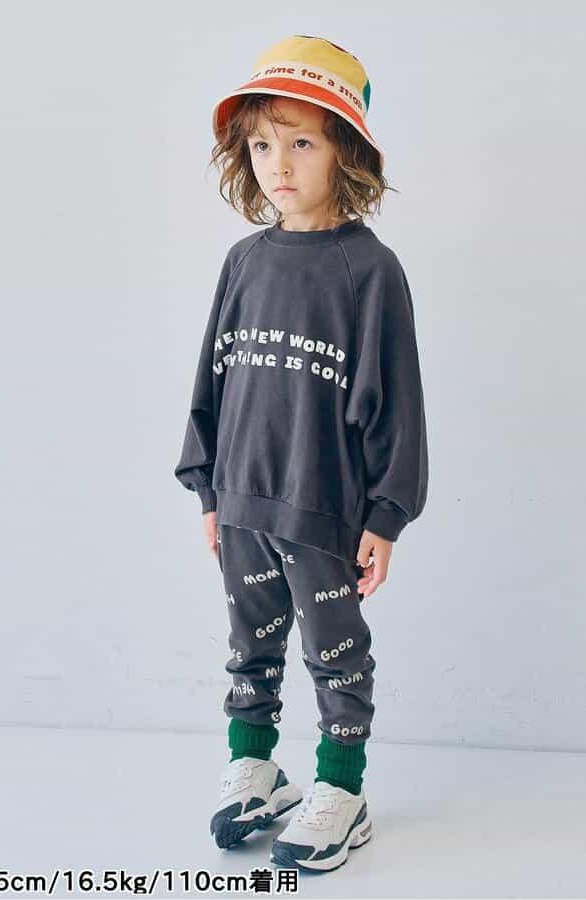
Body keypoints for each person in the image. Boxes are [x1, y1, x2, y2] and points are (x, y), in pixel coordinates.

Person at [174, 34, 429, 873]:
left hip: (323, 505)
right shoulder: (244, 262)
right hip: (242, 499)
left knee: (335, 652)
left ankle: (342, 790)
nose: (277, 164)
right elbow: (212, 377)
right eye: (260, 145)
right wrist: (209, 490)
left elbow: (396, 402)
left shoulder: (369, 270)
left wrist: (386, 514)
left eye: (301, 142)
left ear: (344, 150)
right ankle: (256, 768)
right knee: (249, 642)